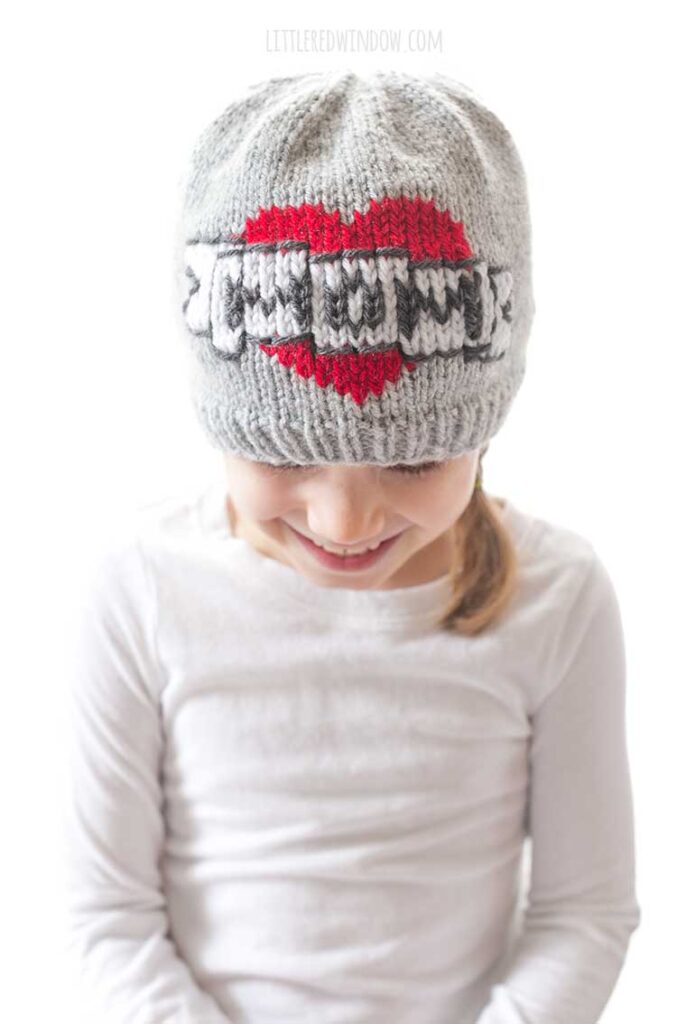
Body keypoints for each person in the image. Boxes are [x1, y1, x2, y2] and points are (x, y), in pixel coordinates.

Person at [64, 70, 641, 1024]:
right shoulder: (141, 589)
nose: (344, 522)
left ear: (485, 429)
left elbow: (583, 912)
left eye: (413, 458)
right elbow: (108, 919)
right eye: (284, 454)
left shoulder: (557, 597)